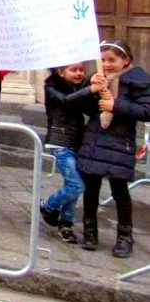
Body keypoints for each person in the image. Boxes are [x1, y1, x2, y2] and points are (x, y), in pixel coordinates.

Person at [78, 40, 149, 257]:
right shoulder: (97, 78)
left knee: (120, 191)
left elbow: (146, 110)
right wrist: (91, 89)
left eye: (112, 60)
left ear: (125, 60)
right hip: (95, 139)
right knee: (91, 188)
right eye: (103, 60)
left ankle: (124, 236)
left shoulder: (137, 81)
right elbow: (83, 106)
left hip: (119, 143)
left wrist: (114, 105)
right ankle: (90, 231)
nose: (107, 64)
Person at [40, 61, 97, 244]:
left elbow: (88, 108)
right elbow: (66, 101)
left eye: (81, 70)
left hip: (78, 142)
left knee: (72, 186)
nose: (79, 73)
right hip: (60, 142)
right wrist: (90, 88)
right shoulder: (52, 87)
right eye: (74, 70)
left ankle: (66, 223)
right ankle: (48, 205)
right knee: (76, 185)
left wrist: (93, 86)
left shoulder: (78, 88)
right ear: (61, 71)